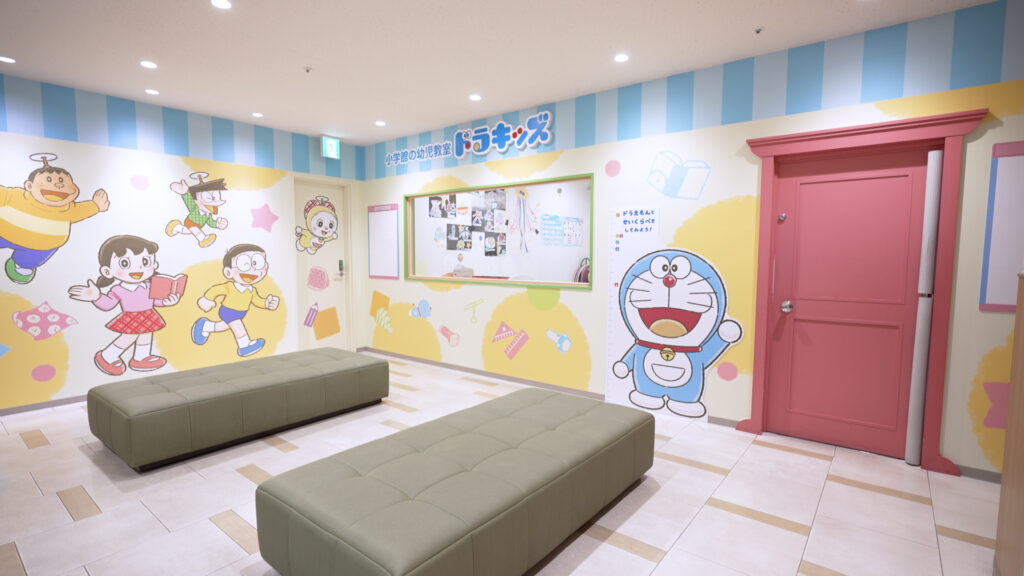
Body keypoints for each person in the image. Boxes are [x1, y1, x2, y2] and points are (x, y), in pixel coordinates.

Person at [68, 235, 179, 375]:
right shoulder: (118, 290)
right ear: (107, 271)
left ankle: (141, 358)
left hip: (148, 314)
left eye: (145, 261)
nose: (138, 268)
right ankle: (107, 356)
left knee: (146, 335)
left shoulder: (149, 286)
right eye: (125, 263)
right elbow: (108, 304)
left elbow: (155, 301)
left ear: (154, 265)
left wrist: (166, 302)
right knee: (129, 337)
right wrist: (96, 297)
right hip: (131, 317)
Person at [1, 153, 109, 283]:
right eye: (49, 180)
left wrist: (95, 206)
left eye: (62, 181)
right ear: (29, 186)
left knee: (29, 260)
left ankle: (22, 265)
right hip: (3, 234)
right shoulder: (16, 196)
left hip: (39, 248)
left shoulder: (69, 209)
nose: (58, 185)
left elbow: (82, 210)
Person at [192, 244, 280, 356]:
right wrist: (207, 299)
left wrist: (266, 303)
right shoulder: (230, 287)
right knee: (237, 326)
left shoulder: (252, 290)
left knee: (225, 325)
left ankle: (205, 326)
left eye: (257, 263)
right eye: (244, 264)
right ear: (228, 272)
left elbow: (256, 300)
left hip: (241, 313)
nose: (252, 269)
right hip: (228, 311)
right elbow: (215, 290)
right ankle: (244, 346)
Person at [165, 172, 228, 247]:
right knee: (195, 230)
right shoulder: (195, 208)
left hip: (199, 225)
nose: (212, 203)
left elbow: (210, 222)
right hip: (190, 222)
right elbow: (189, 201)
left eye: (215, 197)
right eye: (208, 198)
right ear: (196, 200)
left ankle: (176, 227)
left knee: (187, 231)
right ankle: (203, 239)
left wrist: (217, 224)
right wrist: (184, 193)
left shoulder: (208, 214)